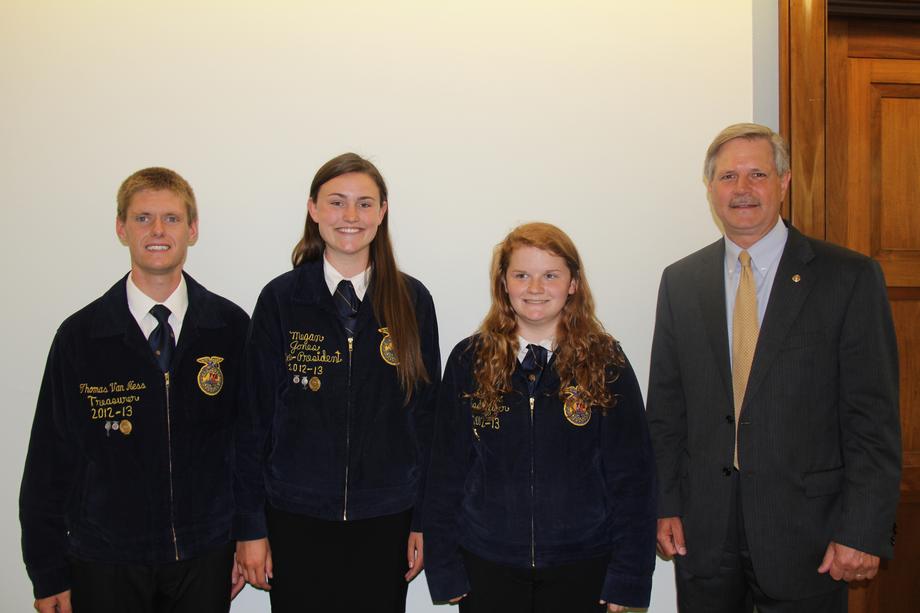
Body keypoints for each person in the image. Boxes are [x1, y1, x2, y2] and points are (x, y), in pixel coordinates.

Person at [646, 123, 901, 613]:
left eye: (757, 173)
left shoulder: (847, 278)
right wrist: (665, 504)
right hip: (705, 534)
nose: (742, 189)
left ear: (783, 182)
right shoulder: (681, 281)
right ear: (710, 190)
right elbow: (666, 409)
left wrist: (863, 529)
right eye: (727, 177)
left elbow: (874, 419)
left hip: (811, 538)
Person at [20, 167, 250, 613]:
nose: (158, 231)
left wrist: (245, 536)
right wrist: (47, 571)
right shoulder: (81, 337)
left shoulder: (230, 329)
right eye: (143, 219)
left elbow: (249, 446)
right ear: (121, 228)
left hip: (204, 556)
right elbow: (49, 461)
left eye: (172, 218)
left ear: (193, 229)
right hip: (105, 560)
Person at [233, 153, 440, 612]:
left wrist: (425, 520)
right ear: (313, 209)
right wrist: (250, 527)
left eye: (365, 204)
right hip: (294, 517)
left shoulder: (413, 301)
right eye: (337, 202)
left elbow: (426, 422)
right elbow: (252, 423)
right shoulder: (281, 300)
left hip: (387, 519)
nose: (351, 217)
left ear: (383, 211)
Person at [424, 222, 656, 613]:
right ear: (503, 283)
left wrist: (629, 577)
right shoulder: (469, 360)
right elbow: (445, 469)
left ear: (573, 284)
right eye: (521, 275)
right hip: (487, 565)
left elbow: (633, 476)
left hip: (583, 566)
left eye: (550, 275)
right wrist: (444, 566)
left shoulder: (606, 361)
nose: (535, 288)